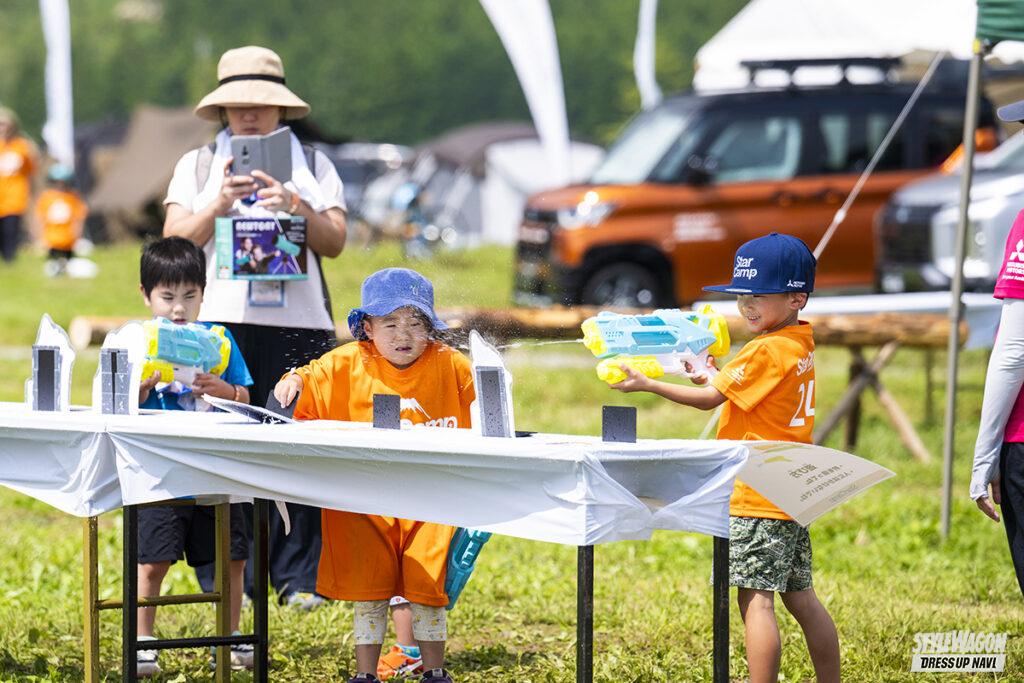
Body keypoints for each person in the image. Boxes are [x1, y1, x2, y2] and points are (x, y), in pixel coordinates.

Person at [163, 45, 347, 607]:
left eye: (261, 105)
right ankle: (228, 576)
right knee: (223, 447)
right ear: (221, 110)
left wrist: (295, 206)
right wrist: (219, 203)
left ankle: (299, 578)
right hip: (219, 323)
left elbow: (335, 242)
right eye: (238, 104)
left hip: (302, 324)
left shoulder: (313, 164)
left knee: (299, 445)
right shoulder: (198, 165)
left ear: (283, 109)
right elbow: (174, 239)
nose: (249, 115)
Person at [609, 233, 840, 683]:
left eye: (758, 295)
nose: (747, 306)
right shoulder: (798, 342)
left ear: (797, 296)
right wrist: (711, 371)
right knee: (800, 597)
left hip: (757, 492)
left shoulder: (763, 349)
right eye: (740, 296)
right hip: (789, 487)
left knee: (755, 600)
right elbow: (736, 388)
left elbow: (709, 401)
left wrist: (648, 383)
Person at [273, 268, 474, 683]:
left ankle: (434, 670)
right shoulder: (348, 362)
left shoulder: (451, 365)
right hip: (365, 500)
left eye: (416, 323)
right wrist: (291, 380)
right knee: (368, 592)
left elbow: (488, 409)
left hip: (431, 501)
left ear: (430, 327)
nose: (404, 335)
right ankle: (365, 675)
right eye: (390, 323)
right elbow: (309, 377)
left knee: (426, 590)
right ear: (366, 327)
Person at [134, 237, 255, 676]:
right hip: (161, 471)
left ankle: (233, 636)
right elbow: (111, 401)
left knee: (231, 557)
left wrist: (228, 390)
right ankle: (143, 638)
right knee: (152, 559)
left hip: (217, 470)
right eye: (167, 297)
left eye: (190, 296)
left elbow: (246, 395)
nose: (178, 308)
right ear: (146, 295)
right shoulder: (136, 341)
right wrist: (139, 388)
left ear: (204, 294)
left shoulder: (220, 340)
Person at [0, 106, 38, 263]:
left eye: (3, 124)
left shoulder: (22, 147)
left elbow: (31, 170)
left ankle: (10, 260)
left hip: (15, 197)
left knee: (10, 230)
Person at [35, 164, 87, 276]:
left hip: (68, 239)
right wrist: (40, 238)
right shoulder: (46, 197)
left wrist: (77, 236)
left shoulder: (73, 197)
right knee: (52, 266)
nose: (60, 186)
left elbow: (79, 218)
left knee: (69, 266)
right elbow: (41, 219)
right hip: (52, 239)